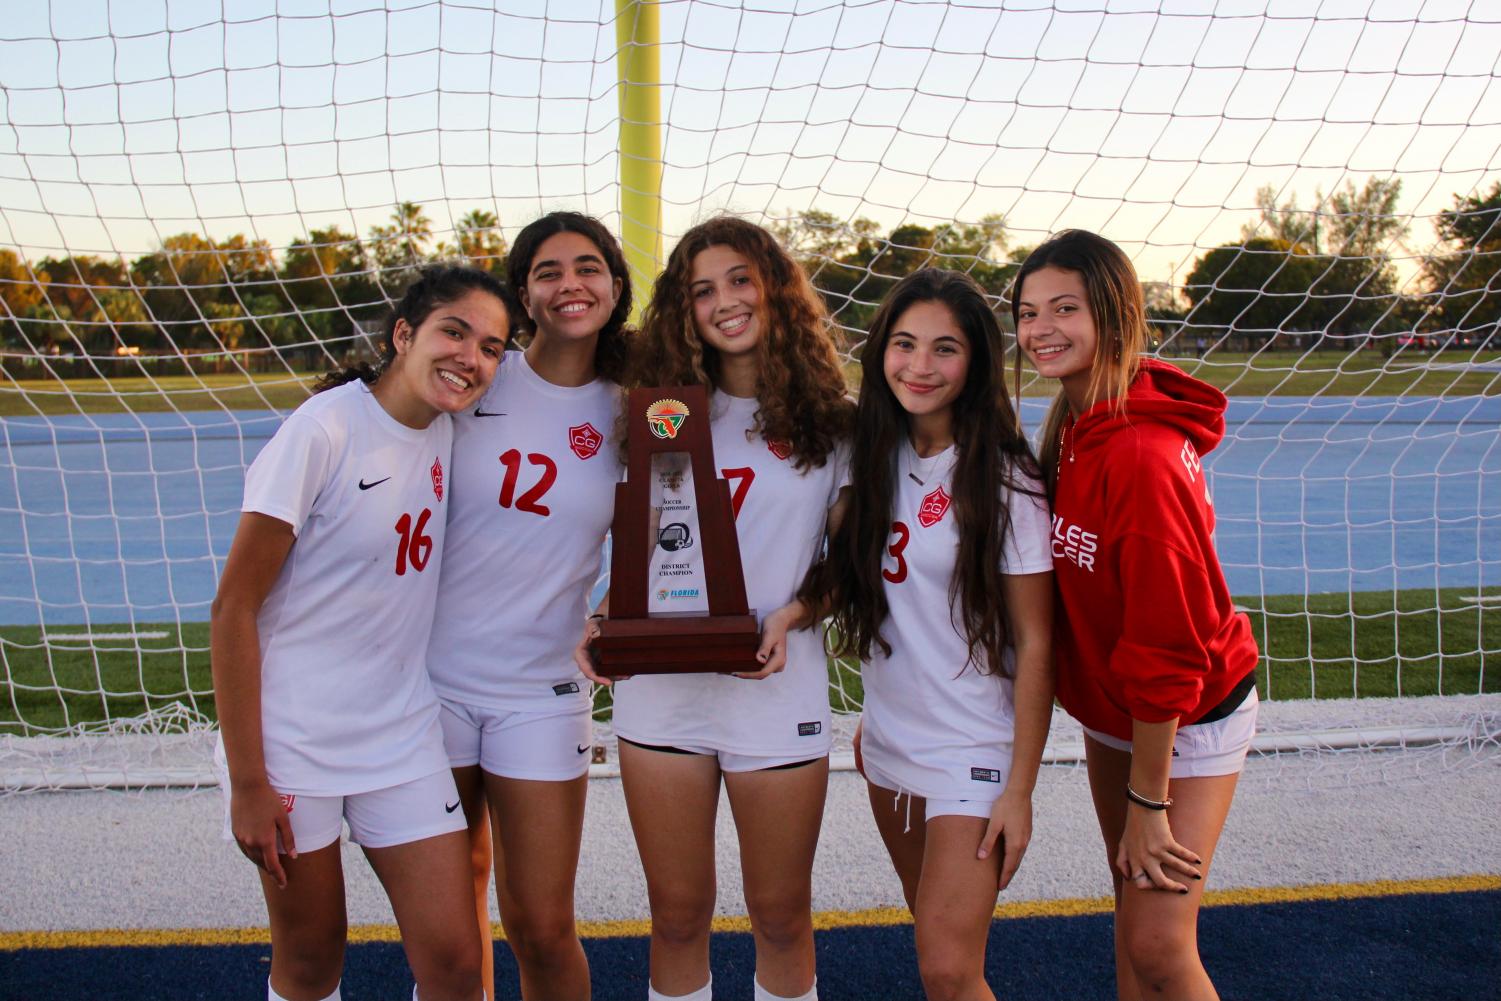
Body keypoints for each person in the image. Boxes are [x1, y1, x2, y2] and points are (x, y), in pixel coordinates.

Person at [211, 265, 515, 1001]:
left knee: (453, 959)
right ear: (403, 334)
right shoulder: (323, 430)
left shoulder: (447, 431)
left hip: (400, 734)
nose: (470, 356)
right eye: (454, 331)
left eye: (492, 346)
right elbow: (232, 610)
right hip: (293, 745)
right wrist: (250, 781)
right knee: (312, 961)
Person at [577, 216, 854, 1001]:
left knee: (779, 914)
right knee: (674, 913)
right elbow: (656, 544)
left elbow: (850, 565)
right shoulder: (656, 409)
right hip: (663, 694)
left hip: (774, 686)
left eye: (739, 280)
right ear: (682, 310)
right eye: (702, 290)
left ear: (775, 289)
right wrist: (608, 613)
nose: (724, 301)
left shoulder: (833, 419)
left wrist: (794, 613)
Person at [1014, 230, 1260, 1001]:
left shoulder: (1141, 456)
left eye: (1064, 308)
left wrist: (1149, 803)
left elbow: (1166, 650)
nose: (1040, 327)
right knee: (1131, 913)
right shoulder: (1076, 422)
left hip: (1183, 710)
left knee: (1158, 943)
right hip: (1117, 708)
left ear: (1114, 316)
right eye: (1026, 312)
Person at [799, 268, 1054, 1001]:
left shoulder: (1005, 480)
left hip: (973, 750)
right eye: (904, 344)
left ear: (973, 362)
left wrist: (1020, 788)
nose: (919, 365)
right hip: (887, 743)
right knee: (935, 945)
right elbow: (843, 575)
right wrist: (790, 616)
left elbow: (1038, 643)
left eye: (943, 349)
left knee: (948, 968)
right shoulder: (870, 454)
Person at [426, 212, 631, 1001]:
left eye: (587, 267)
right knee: (447, 930)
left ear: (614, 286)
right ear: (522, 293)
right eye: (547, 271)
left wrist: (616, 607)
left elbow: (667, 532)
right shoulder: (477, 374)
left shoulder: (636, 405)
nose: (569, 284)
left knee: (541, 927)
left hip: (541, 689)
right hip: (429, 682)